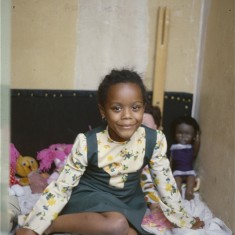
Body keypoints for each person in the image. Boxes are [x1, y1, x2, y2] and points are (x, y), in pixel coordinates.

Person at [16, 69, 204, 235]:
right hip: (90, 196)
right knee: (117, 225)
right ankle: (53, 225)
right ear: (103, 111)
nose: (127, 115)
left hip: (128, 200)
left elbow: (166, 184)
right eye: (116, 108)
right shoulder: (88, 141)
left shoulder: (154, 140)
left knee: (128, 232)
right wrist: (35, 225)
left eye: (135, 107)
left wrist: (184, 219)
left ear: (143, 108)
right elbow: (61, 188)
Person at [170, 116, 201, 200]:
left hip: (189, 171)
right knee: (177, 181)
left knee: (191, 180)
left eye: (187, 134)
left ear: (193, 136)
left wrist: (198, 136)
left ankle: (189, 192)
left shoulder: (190, 147)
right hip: (178, 171)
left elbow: (196, 150)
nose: (183, 136)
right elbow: (171, 160)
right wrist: (169, 171)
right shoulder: (174, 147)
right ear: (174, 133)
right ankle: (178, 191)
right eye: (179, 133)